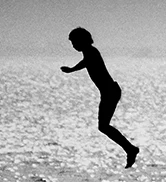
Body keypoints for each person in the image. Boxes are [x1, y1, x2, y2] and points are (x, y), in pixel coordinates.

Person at [60, 27, 139, 167]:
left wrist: (72, 69)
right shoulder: (88, 52)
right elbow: (86, 62)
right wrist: (72, 69)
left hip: (110, 92)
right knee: (103, 126)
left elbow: (86, 62)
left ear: (82, 41)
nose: (73, 46)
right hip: (108, 92)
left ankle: (130, 149)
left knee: (103, 126)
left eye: (74, 42)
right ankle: (130, 149)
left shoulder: (91, 51)